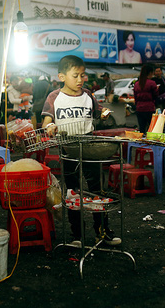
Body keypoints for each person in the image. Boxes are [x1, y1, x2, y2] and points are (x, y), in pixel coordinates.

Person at [41, 55, 120, 246]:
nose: (80, 80)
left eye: (82, 75)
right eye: (75, 75)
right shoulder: (54, 97)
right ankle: (77, 235)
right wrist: (49, 127)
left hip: (90, 147)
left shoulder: (88, 95)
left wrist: (104, 113)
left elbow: (99, 111)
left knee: (96, 190)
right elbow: (46, 121)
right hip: (68, 149)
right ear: (61, 76)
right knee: (72, 192)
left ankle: (102, 232)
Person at [133, 63, 158, 133]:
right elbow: (155, 95)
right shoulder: (152, 83)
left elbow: (135, 97)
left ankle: (142, 142)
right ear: (150, 73)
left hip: (139, 109)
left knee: (142, 128)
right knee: (151, 128)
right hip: (149, 108)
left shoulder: (137, 84)